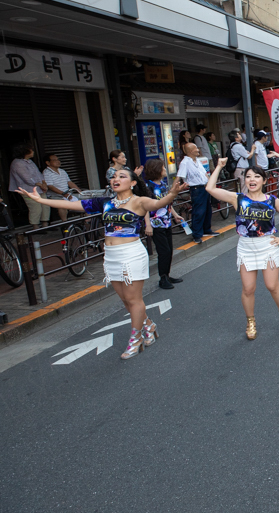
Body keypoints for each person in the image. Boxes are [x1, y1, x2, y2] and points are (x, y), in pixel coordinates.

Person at [17, 171, 185, 359]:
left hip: (131, 254)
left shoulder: (139, 201)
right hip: (111, 256)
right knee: (125, 301)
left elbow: (157, 204)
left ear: (132, 182)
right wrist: (40, 201)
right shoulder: (105, 203)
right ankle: (148, 325)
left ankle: (136, 338)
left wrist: (172, 194)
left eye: (122, 176)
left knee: (134, 300)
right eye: (114, 177)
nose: (116, 179)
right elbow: (72, 204)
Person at [205, 159, 279, 340]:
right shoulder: (237, 198)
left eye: (256, 176)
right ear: (244, 180)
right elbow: (210, 188)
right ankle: (250, 321)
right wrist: (219, 167)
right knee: (248, 289)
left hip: (267, 246)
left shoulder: (272, 200)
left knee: (272, 285)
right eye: (248, 177)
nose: (252, 180)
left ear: (263, 180)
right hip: (245, 247)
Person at [143, 159, 185, 290]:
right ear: (157, 170)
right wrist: (148, 224)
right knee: (164, 251)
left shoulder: (163, 185)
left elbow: (167, 202)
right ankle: (162, 278)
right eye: (163, 168)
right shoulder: (148, 187)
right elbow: (143, 207)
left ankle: (167, 275)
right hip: (156, 224)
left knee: (169, 250)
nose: (165, 170)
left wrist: (175, 215)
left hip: (166, 222)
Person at [178, 143, 220, 244]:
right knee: (198, 212)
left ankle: (206, 229)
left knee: (207, 210)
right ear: (190, 151)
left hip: (204, 187)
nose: (198, 150)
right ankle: (196, 234)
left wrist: (211, 183)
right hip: (196, 189)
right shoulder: (185, 163)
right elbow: (180, 176)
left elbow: (204, 173)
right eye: (196, 148)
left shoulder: (197, 161)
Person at [9, 145, 49, 229]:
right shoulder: (17, 163)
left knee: (45, 205)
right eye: (31, 150)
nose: (33, 151)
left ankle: (45, 224)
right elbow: (27, 178)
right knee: (35, 207)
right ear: (25, 151)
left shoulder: (30, 161)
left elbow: (38, 174)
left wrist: (44, 183)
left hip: (39, 188)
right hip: (27, 189)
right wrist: (40, 184)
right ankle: (35, 226)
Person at [42, 153, 80, 224]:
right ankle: (65, 223)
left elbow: (70, 183)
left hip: (67, 194)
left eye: (58, 159)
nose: (58, 161)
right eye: (54, 160)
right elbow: (50, 186)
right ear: (48, 163)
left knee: (85, 201)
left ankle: (87, 222)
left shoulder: (62, 171)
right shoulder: (46, 172)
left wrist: (79, 191)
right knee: (62, 204)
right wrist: (63, 194)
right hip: (55, 196)